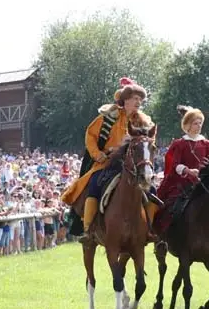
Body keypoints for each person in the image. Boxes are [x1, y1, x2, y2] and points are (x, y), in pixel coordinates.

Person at [61, 77, 158, 244]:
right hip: (107, 163)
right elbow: (90, 136)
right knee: (94, 186)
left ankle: (149, 229)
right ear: (125, 100)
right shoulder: (108, 117)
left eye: (140, 99)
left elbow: (148, 144)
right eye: (135, 98)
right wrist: (98, 154)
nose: (138, 102)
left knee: (153, 191)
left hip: (133, 167)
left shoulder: (143, 121)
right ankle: (88, 230)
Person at [151, 105, 209, 257]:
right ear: (188, 125)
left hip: (203, 184)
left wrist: (206, 173)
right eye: (195, 123)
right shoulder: (179, 144)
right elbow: (173, 164)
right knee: (169, 206)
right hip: (182, 183)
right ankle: (162, 239)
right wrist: (187, 171)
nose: (198, 126)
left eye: (200, 123)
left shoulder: (207, 144)